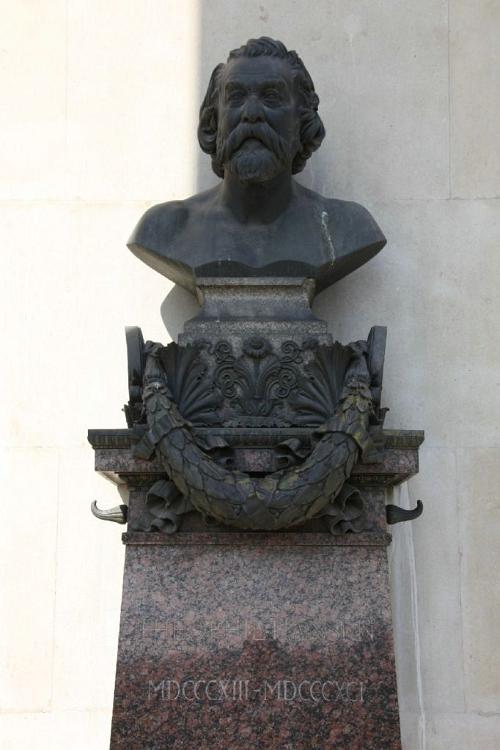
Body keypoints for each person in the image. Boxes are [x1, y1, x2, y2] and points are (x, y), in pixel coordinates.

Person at [128, 37, 386, 294]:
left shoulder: (347, 228)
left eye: (271, 97)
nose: (251, 113)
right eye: (235, 98)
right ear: (213, 121)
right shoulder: (167, 229)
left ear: (303, 121)